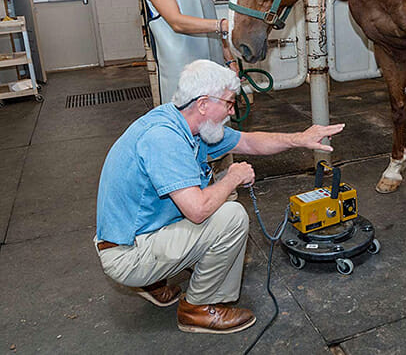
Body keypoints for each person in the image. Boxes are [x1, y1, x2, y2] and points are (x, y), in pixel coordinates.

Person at [94, 60, 345, 333]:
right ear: (203, 104)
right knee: (230, 215)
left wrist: (298, 138)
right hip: (126, 256)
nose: (232, 110)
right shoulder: (164, 140)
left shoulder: (186, 123)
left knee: (213, 197)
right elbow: (198, 210)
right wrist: (233, 178)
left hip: (136, 235)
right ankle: (199, 308)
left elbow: (248, 141)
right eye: (228, 103)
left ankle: (152, 281)